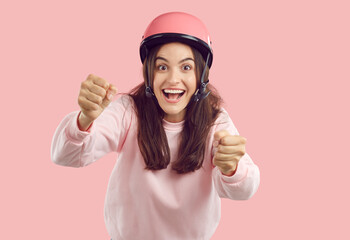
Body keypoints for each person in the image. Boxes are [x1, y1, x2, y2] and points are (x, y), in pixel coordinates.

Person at [51, 12, 260, 240]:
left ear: (202, 75)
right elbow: (65, 155)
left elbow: (244, 189)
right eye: (162, 67)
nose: (172, 79)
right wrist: (85, 119)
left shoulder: (215, 122)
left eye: (186, 68)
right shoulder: (129, 111)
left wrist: (232, 167)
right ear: (148, 73)